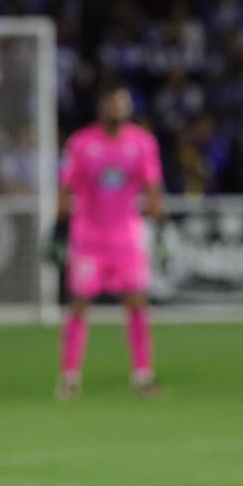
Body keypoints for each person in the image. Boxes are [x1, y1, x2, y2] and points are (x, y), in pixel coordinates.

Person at [55, 81, 165, 399]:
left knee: (137, 305)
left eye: (122, 102)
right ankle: (69, 377)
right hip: (88, 239)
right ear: (101, 106)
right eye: (112, 102)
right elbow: (65, 190)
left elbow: (153, 189)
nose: (117, 107)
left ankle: (143, 376)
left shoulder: (142, 143)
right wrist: (56, 229)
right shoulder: (81, 143)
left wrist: (161, 228)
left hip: (127, 240)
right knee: (78, 307)